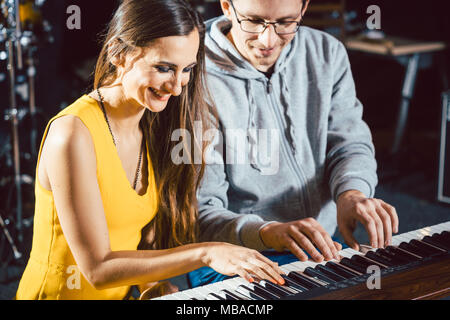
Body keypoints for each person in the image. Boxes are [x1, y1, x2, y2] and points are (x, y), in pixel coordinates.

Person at [15, 0, 285, 300]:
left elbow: (139, 241)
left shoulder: (152, 126)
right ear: (119, 53)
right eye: (163, 68)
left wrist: (151, 284)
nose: (178, 87)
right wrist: (207, 253)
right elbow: (97, 268)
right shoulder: (72, 132)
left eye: (187, 70)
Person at [188, 0, 399, 287]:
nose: (268, 40)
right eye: (253, 21)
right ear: (226, 6)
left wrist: (351, 193)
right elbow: (201, 212)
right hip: (231, 253)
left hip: (317, 241)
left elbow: (349, 144)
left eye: (285, 23)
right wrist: (268, 232)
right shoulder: (190, 71)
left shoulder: (327, 53)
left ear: (303, 9)